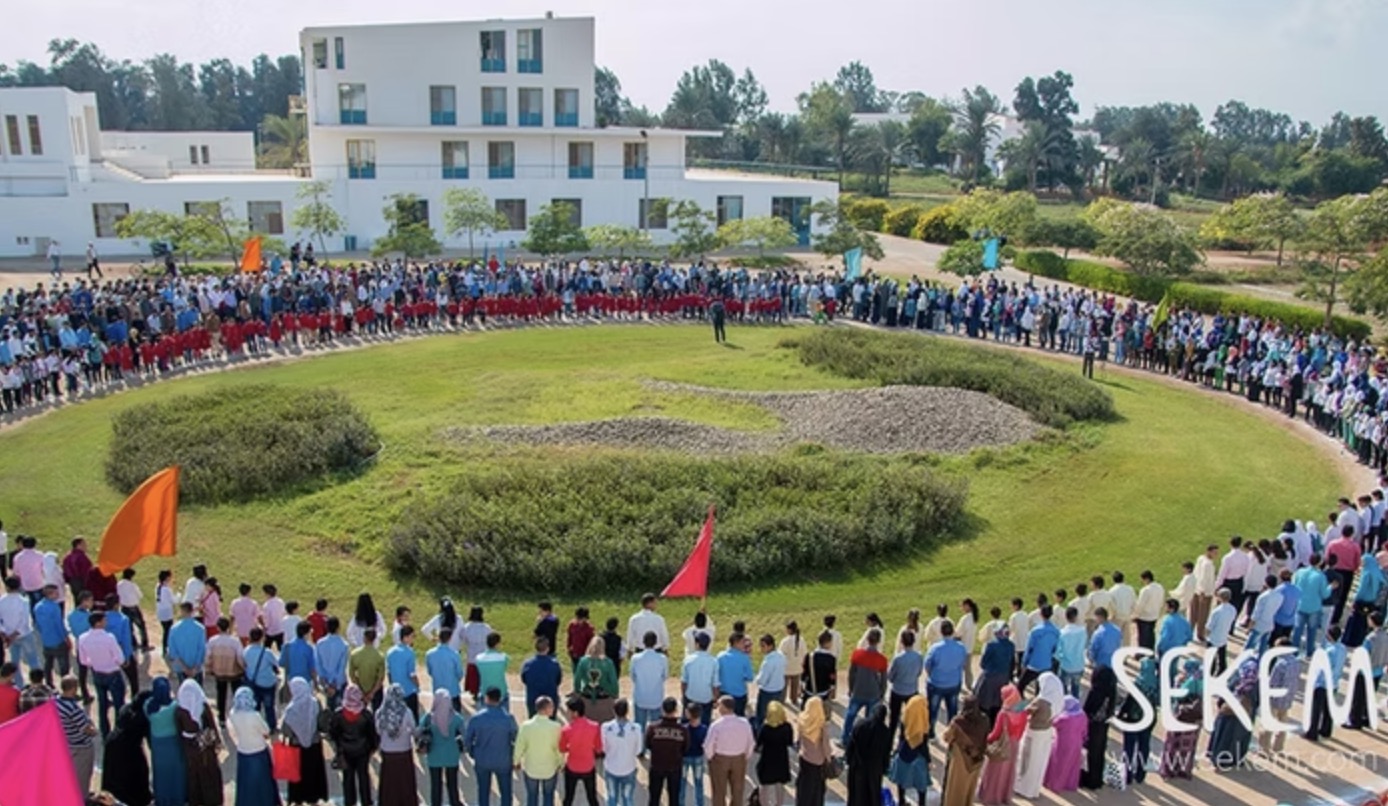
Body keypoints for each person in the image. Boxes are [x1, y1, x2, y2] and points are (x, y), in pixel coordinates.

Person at [327, 684, 380, 806]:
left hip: (345, 751)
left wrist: (339, 746)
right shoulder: (365, 715)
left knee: (348, 778)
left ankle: (349, 802)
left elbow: (333, 733)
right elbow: (373, 735)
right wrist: (372, 748)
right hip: (362, 751)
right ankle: (366, 801)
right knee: (364, 777)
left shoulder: (339, 714)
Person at [465, 686, 518, 806]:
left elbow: (467, 741)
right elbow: (516, 738)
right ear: (499, 699)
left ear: (486, 698)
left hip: (482, 759)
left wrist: (474, 753)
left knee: (483, 792)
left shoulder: (476, 718)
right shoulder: (508, 718)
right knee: (506, 792)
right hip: (503, 760)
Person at [175, 678, 224, 806]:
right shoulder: (202, 707)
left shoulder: (179, 711)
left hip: (189, 748)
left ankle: (195, 800)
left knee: (193, 776)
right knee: (209, 775)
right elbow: (211, 726)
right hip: (205, 747)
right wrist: (216, 742)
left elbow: (179, 731)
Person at [282, 677, 330, 806]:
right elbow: (321, 724)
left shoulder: (290, 710)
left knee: (297, 775)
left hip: (296, 748)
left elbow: (286, 732)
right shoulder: (315, 703)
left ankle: (297, 800)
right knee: (313, 774)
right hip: (314, 745)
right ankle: (313, 799)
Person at [78, 610, 126, 737]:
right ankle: (119, 731)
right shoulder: (109, 638)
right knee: (119, 704)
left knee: (102, 704)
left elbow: (83, 660)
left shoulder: (82, 638)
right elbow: (120, 658)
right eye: (104, 620)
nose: (106, 622)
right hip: (112, 673)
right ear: (98, 623)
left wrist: (94, 662)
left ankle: (105, 733)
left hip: (97, 673)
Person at [228, 687, 279, 806]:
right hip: (258, 751)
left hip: (243, 751)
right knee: (262, 782)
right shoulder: (254, 715)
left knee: (246, 782)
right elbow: (266, 730)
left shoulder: (233, 714)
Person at [1013, 673, 1060, 799]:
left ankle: (1023, 788)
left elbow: (1025, 709)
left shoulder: (1042, 701)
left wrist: (1015, 706)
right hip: (1047, 731)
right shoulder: (1056, 698)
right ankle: (1033, 789)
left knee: (1027, 760)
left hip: (1034, 732)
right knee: (1039, 761)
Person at [102, 691, 154, 806]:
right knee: (135, 775)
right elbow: (149, 740)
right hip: (129, 749)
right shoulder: (143, 717)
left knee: (113, 774)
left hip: (112, 742)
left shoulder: (126, 708)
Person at [977, 683, 1026, 804]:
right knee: (1008, 772)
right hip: (1014, 744)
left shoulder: (1004, 713)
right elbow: (1022, 728)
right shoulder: (1022, 710)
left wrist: (986, 740)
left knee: (995, 773)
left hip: (1001, 744)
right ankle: (1004, 796)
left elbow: (996, 733)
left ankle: (991, 796)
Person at [704, 695, 755, 806]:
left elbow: (708, 745)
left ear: (723, 707)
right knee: (738, 790)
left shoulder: (716, 725)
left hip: (720, 759)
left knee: (719, 791)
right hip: (739, 758)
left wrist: (711, 758)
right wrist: (745, 757)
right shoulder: (744, 723)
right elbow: (750, 743)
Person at [940, 695, 989, 806]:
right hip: (977, 759)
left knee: (956, 789)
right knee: (969, 788)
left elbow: (947, 737)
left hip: (960, 760)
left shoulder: (958, 722)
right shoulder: (984, 720)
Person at [1157, 660, 1203, 780]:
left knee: (1173, 744)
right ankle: (1184, 770)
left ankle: (1168, 770)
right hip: (1195, 719)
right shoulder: (1203, 681)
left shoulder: (1182, 680)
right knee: (1188, 746)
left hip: (1179, 716)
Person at [1117, 658, 1159, 787]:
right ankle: (1140, 775)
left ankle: (1127, 775)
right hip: (1149, 719)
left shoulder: (1138, 683)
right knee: (1144, 745)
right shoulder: (1157, 684)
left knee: (1129, 747)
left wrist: (1119, 714)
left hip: (1133, 719)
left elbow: (1128, 702)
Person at [146, 677, 188, 806]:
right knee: (176, 772)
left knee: (161, 773)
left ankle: (162, 799)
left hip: (157, 744)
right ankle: (178, 798)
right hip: (173, 743)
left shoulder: (148, 706)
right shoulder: (174, 707)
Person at [515, 695, 564, 806]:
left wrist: (516, 761)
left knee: (532, 796)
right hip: (549, 769)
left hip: (531, 768)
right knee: (548, 795)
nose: (553, 709)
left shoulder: (526, 726)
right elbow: (558, 749)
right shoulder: (555, 727)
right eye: (551, 706)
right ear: (546, 709)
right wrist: (561, 763)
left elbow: (520, 746)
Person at [376, 684, 419, 806]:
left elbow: (378, 730)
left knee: (389, 783)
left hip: (387, 753)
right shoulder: (407, 712)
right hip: (404, 752)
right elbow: (414, 731)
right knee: (405, 783)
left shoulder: (380, 713)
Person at [842, 627, 887, 743]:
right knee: (870, 720)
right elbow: (883, 680)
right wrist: (882, 693)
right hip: (873, 693)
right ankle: (866, 741)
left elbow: (851, 674)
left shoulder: (857, 654)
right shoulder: (882, 659)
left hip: (858, 690)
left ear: (867, 639)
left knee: (850, 716)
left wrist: (851, 688)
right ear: (878, 641)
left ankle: (845, 739)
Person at [924, 620, 967, 736]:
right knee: (952, 711)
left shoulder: (935, 648)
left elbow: (927, 665)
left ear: (941, 632)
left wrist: (932, 676)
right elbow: (963, 663)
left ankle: (931, 733)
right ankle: (951, 734)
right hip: (953, 683)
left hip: (937, 683)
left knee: (933, 711)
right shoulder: (961, 647)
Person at [55, 674, 97, 794]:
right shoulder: (73, 709)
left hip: (66, 743)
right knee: (82, 777)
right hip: (81, 746)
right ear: (73, 689)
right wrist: (94, 730)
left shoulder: (55, 702)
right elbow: (87, 729)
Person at [645, 697, 690, 806]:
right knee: (674, 799)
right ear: (675, 710)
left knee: (654, 798)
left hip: (656, 766)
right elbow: (686, 748)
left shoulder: (652, 728)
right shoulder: (682, 730)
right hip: (674, 767)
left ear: (662, 709)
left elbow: (648, 744)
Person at [887, 694, 930, 806]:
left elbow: (902, 736)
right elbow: (924, 744)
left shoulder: (906, 716)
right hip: (919, 757)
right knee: (921, 786)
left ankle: (901, 801)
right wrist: (928, 760)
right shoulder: (923, 721)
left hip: (904, 753)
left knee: (901, 781)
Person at [1079, 665, 1117, 790]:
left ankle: (1088, 779)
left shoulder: (1095, 691)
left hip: (1092, 725)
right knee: (1099, 753)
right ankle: (1097, 779)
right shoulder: (1112, 691)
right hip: (1104, 725)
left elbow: (1086, 709)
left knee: (1090, 753)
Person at [560, 697, 602, 806]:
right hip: (588, 767)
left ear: (575, 713)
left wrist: (571, 747)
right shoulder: (595, 726)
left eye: (569, 711)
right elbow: (598, 748)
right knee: (592, 797)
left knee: (568, 797)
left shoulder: (566, 729)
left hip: (572, 767)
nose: (567, 713)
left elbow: (562, 748)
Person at [601, 698, 642, 806]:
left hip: (611, 768)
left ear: (614, 711)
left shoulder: (605, 727)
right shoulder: (636, 728)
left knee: (612, 798)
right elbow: (638, 750)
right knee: (627, 799)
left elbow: (603, 748)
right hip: (629, 768)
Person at [754, 700, 794, 806]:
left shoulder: (765, 728)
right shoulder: (787, 727)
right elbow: (789, 742)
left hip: (767, 759)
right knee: (780, 784)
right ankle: (779, 804)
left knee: (764, 784)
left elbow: (758, 743)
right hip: (781, 759)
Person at [886, 629, 922, 739]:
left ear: (902, 641)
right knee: (909, 717)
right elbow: (919, 672)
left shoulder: (898, 658)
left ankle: (890, 740)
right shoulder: (919, 656)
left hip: (898, 690)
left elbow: (891, 676)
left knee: (894, 717)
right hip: (912, 690)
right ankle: (903, 738)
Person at [1045, 696, 1086, 792]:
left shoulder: (1064, 717)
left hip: (1063, 743)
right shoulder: (1082, 715)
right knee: (1071, 764)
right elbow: (1085, 731)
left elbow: (1054, 723)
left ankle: (1055, 785)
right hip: (1077, 743)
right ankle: (1069, 784)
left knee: (1059, 763)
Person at [974, 625, 1013, 727]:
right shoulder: (1011, 645)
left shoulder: (991, 645)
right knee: (997, 702)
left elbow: (983, 663)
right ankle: (994, 724)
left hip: (990, 677)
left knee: (985, 701)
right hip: (1003, 677)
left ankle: (984, 725)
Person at [242, 627, 280, 729]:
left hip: (253, 682)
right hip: (267, 683)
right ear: (262, 638)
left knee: (256, 707)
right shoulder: (266, 652)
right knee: (269, 707)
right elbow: (276, 663)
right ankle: (271, 726)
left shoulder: (245, 651)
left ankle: (256, 726)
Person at [575, 636, 618, 722]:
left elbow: (577, 679)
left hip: (587, 697)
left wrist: (578, 693)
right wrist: (614, 694)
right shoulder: (608, 662)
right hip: (604, 698)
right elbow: (613, 682)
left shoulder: (583, 661)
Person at [630, 632, 667, 730]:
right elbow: (665, 676)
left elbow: (633, 677)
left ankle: (641, 745)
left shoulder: (635, 658)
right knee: (655, 729)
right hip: (656, 698)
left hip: (640, 697)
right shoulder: (662, 659)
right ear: (655, 643)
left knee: (639, 728)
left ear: (643, 642)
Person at [715, 633, 754, 717]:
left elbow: (716, 676)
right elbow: (750, 677)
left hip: (724, 693)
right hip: (739, 695)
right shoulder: (745, 658)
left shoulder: (720, 656)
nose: (745, 644)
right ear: (736, 643)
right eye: (743, 642)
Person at [385, 626, 420, 718]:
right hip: (409, 691)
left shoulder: (390, 652)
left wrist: (392, 685)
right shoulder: (410, 653)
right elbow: (411, 674)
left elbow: (389, 672)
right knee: (413, 717)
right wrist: (417, 685)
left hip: (396, 692)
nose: (413, 639)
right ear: (405, 637)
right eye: (412, 636)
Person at [167, 603, 207, 684]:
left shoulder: (174, 629)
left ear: (181, 611)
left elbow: (172, 651)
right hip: (197, 668)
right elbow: (202, 649)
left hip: (180, 668)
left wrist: (184, 668)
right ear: (192, 611)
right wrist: (195, 667)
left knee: (184, 693)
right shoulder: (200, 628)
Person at [316, 616, 350, 710]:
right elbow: (342, 667)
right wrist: (335, 684)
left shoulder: (320, 643)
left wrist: (326, 683)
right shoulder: (344, 645)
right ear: (338, 628)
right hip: (339, 683)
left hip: (325, 681)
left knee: (329, 708)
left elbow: (318, 664)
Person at [428, 627, 466, 711]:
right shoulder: (454, 654)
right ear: (450, 638)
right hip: (453, 690)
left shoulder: (430, 654)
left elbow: (430, 671)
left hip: (437, 689)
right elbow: (459, 673)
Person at [348, 628, 386, 710]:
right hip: (376, 691)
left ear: (364, 637)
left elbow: (352, 674)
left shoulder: (354, 654)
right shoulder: (380, 656)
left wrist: (361, 691)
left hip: (359, 688)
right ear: (375, 639)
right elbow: (380, 678)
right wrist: (371, 693)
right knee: (377, 714)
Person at [681, 702, 709, 806]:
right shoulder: (704, 729)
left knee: (682, 783)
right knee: (698, 783)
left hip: (684, 757)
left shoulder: (684, 728)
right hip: (698, 757)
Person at [117, 569, 151, 651]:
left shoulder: (118, 584)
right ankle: (144, 644)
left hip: (124, 608)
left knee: (129, 627)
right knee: (141, 626)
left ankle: (134, 644)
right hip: (134, 608)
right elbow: (140, 595)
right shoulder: (133, 585)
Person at [801, 631, 836, 708]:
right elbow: (832, 676)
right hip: (823, 691)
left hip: (810, 690)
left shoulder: (809, 656)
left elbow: (804, 673)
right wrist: (832, 687)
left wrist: (802, 684)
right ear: (828, 643)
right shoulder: (831, 659)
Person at [476, 631, 511, 705]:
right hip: (501, 692)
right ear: (497, 644)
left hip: (485, 691)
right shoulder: (503, 658)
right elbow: (506, 665)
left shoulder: (479, 658)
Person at [1134, 570, 1164, 650]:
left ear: (1146, 579)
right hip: (1155, 615)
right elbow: (1161, 601)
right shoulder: (1160, 587)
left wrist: (1135, 615)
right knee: (1151, 635)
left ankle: (1142, 653)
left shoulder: (1145, 590)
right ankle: (1151, 651)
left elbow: (1140, 605)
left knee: (1143, 638)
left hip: (1144, 617)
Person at [778, 622, 805, 704]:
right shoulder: (802, 640)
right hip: (797, 668)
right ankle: (794, 699)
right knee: (795, 685)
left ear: (789, 629)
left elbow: (780, 655)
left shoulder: (785, 641)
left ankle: (782, 700)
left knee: (783, 686)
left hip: (786, 669)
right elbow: (804, 654)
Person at [566, 608, 595, 675]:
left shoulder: (589, 628)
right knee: (575, 671)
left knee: (584, 673)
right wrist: (569, 647)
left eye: (581, 619)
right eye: (578, 618)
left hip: (585, 654)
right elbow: (569, 637)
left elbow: (591, 642)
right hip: (574, 652)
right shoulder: (572, 625)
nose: (579, 620)